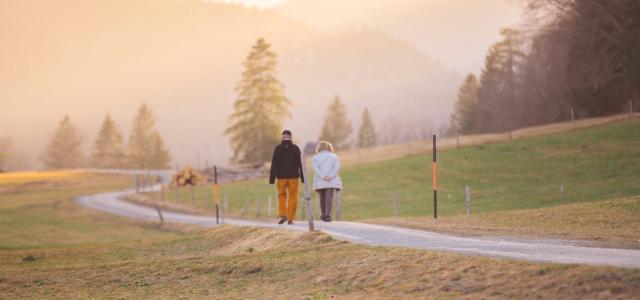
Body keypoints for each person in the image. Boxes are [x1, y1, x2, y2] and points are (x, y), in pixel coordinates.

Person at [269, 130, 304, 225]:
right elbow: (301, 164)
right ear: (291, 137)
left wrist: (272, 178)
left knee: (281, 195)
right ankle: (290, 219)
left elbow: (274, 163)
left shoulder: (278, 148)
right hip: (294, 177)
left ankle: (283, 214)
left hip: (281, 178)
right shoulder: (295, 148)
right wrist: (303, 177)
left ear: (282, 138)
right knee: (293, 197)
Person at [312, 141, 342, 222]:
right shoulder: (334, 156)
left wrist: (323, 176)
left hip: (320, 180)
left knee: (322, 198)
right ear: (329, 148)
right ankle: (327, 215)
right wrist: (330, 176)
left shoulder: (315, 157)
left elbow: (316, 169)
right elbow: (337, 167)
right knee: (329, 198)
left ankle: (323, 215)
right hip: (331, 181)